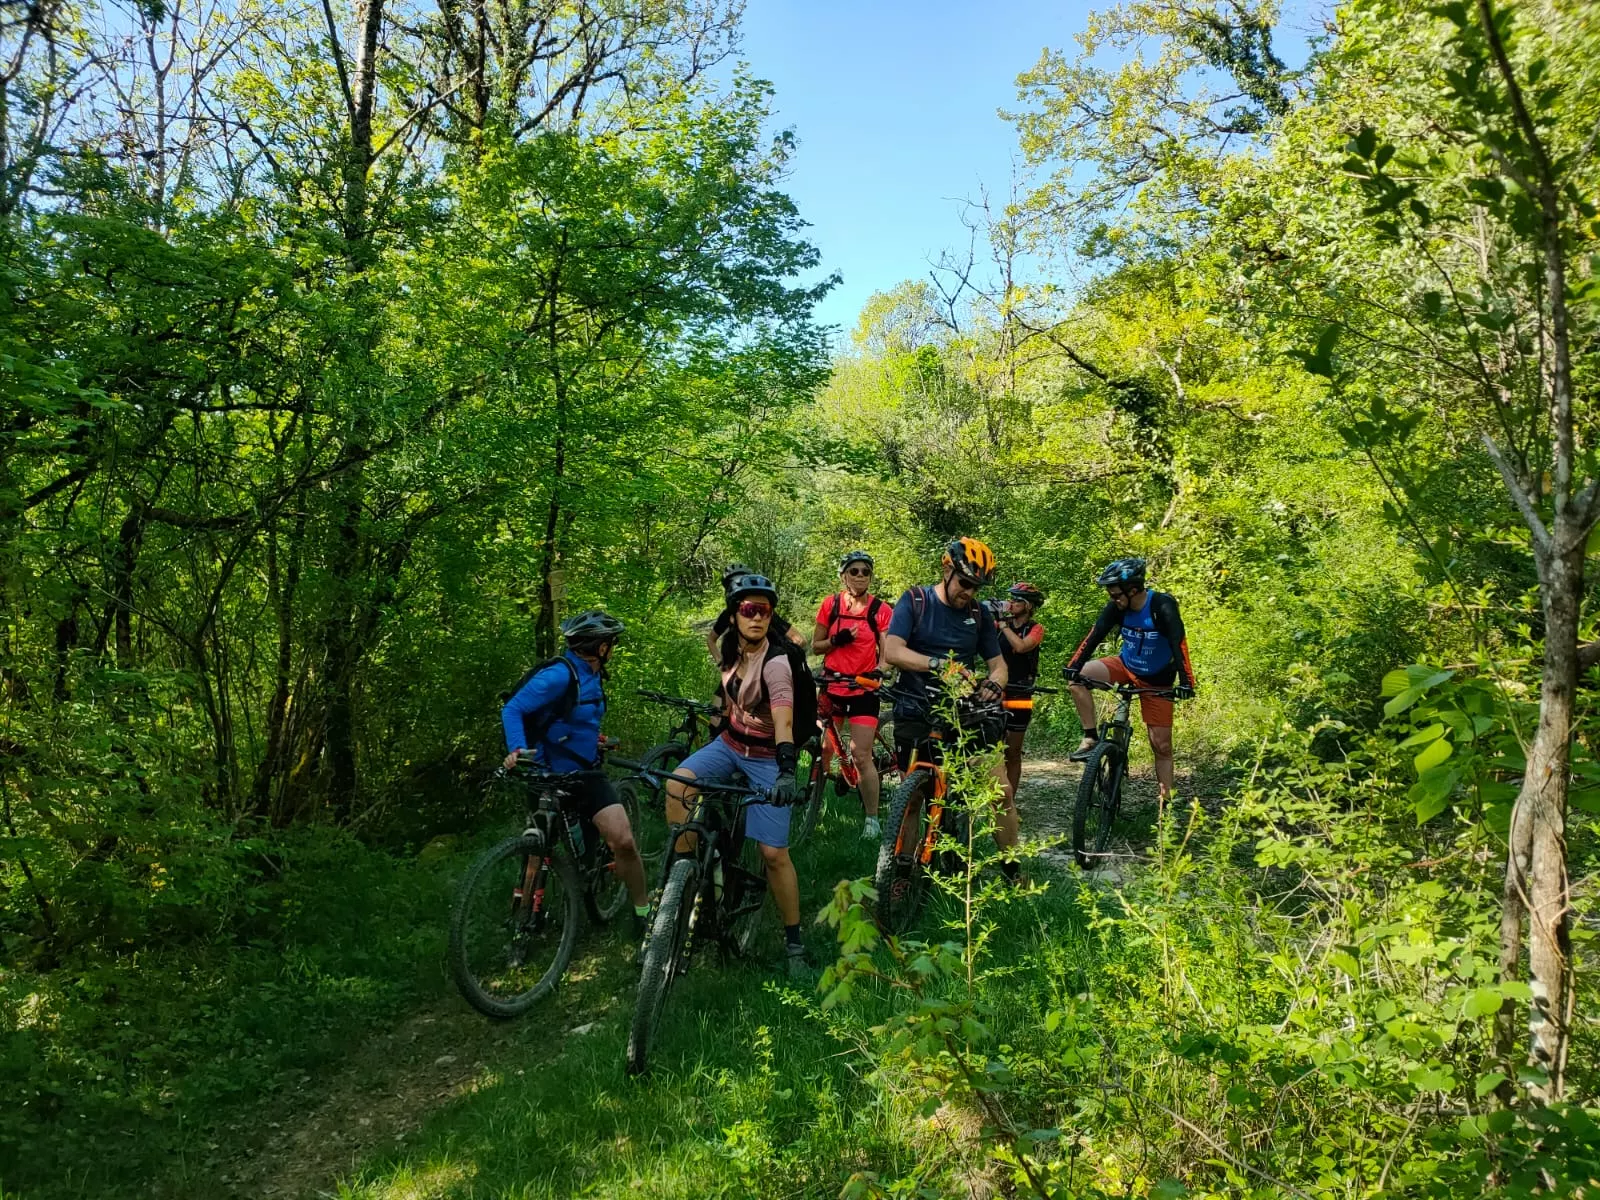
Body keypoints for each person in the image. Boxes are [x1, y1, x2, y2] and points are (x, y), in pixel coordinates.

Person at [666, 573, 810, 977]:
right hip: (730, 745)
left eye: (764, 610)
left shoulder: (776, 664)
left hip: (767, 757)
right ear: (733, 615)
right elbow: (730, 688)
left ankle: (795, 943)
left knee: (773, 855)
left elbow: (783, 721)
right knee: (677, 784)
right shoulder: (730, 648)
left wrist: (786, 770)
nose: (757, 617)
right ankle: (687, 878)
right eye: (748, 609)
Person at [500, 609, 648, 930]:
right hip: (546, 776)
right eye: (611, 643)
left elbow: (571, 719)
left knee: (623, 841)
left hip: (585, 772)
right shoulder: (560, 676)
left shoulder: (592, 673)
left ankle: (643, 911)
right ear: (599, 647)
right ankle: (522, 923)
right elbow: (513, 708)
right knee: (536, 851)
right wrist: (517, 750)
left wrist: (594, 740)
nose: (612, 648)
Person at [881, 538, 1020, 877]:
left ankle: (1013, 870)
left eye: (976, 587)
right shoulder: (915, 601)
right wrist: (938, 664)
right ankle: (900, 874)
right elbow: (893, 651)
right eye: (965, 583)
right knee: (913, 798)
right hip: (916, 706)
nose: (969, 592)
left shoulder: (979, 613)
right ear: (946, 571)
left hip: (966, 711)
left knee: (1000, 791)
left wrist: (994, 684)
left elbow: (999, 665)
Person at [1062, 557, 1196, 802]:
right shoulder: (1117, 608)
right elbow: (1094, 635)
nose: (1112, 598)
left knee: (1162, 746)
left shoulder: (1161, 606)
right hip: (1125, 666)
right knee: (1078, 678)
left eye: (1115, 594)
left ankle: (1166, 804)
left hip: (1157, 680)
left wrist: (1186, 682)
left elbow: (1179, 645)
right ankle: (1090, 737)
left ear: (1133, 590)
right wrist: (1074, 666)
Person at [812, 550, 892, 841]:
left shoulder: (880, 609)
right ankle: (813, 805)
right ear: (843, 575)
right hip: (832, 685)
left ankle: (872, 819)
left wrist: (879, 671)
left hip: (863, 689)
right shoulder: (830, 605)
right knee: (823, 749)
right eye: (854, 571)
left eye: (865, 572)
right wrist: (837, 640)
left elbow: (888, 652)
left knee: (860, 755)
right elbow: (816, 646)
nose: (860, 576)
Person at [996, 582, 1046, 807]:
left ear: (1028, 606)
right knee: (991, 747)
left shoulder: (1035, 628)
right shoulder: (1000, 626)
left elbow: (1022, 647)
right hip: (996, 690)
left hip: (1020, 691)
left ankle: (1009, 803)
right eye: (1011, 599)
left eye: (1017, 600)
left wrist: (1004, 626)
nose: (1012, 603)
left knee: (1013, 751)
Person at [706, 561, 804, 661]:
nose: (757, 617)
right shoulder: (726, 616)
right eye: (746, 610)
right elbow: (711, 640)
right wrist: (721, 662)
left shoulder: (765, 613)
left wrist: (783, 662)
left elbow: (799, 639)